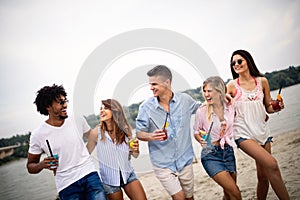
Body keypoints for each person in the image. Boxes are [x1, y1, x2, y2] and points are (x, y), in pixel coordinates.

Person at [227, 50, 290, 200]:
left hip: (262, 131)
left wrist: (276, 107)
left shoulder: (262, 82)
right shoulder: (232, 85)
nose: (236, 64)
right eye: (233, 63)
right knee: (272, 164)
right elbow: (224, 108)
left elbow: (267, 106)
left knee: (263, 177)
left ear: (248, 61)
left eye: (239, 61)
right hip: (243, 133)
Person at [27, 84, 106, 200]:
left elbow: (93, 137)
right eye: (60, 102)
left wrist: (87, 153)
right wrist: (42, 164)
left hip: (89, 174)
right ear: (48, 106)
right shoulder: (38, 134)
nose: (65, 105)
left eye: (65, 101)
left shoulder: (77, 119)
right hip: (66, 185)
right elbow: (30, 166)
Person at [136, 65, 201, 200]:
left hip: (185, 160)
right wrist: (151, 136)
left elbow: (201, 109)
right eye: (150, 84)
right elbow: (139, 133)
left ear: (167, 82)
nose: (151, 87)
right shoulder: (146, 107)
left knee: (189, 197)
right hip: (162, 164)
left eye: (154, 84)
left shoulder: (185, 100)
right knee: (179, 197)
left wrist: (221, 98)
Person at [86, 99, 147, 200]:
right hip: (109, 182)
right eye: (100, 108)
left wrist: (136, 149)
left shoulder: (126, 129)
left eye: (105, 108)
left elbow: (135, 155)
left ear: (115, 111)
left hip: (128, 175)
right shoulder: (96, 133)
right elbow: (84, 155)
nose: (101, 111)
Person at [193, 76, 241, 200]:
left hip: (228, 152)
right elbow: (196, 131)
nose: (206, 94)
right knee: (236, 193)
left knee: (229, 193)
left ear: (219, 91)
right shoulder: (201, 111)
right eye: (204, 91)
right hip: (211, 155)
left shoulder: (230, 106)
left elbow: (242, 117)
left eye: (209, 91)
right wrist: (201, 140)